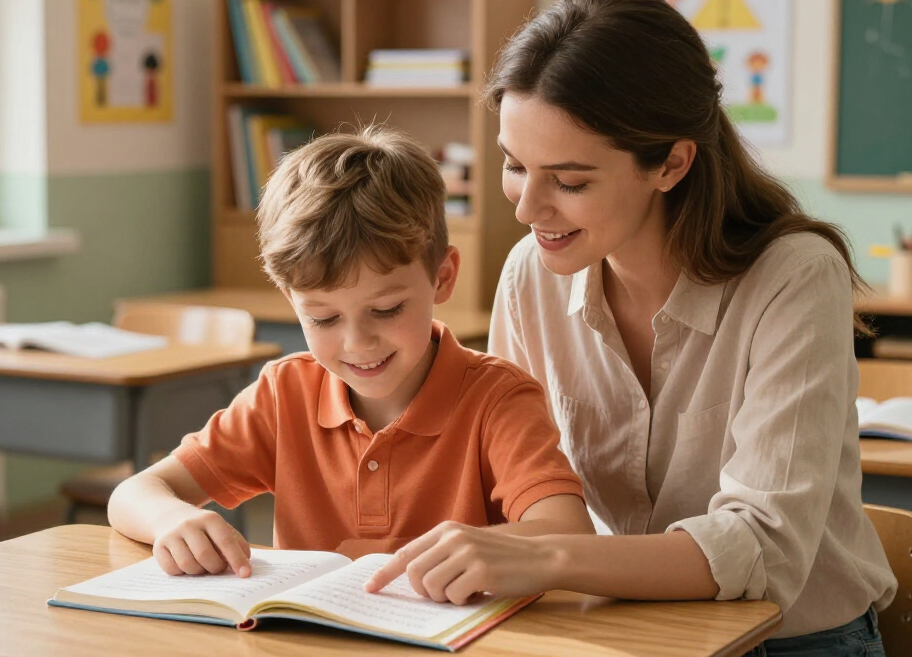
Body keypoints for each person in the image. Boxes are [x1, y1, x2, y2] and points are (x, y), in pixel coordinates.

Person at [366, 0, 899, 657]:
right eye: (515, 166)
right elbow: (503, 485)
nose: (528, 208)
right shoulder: (531, 276)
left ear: (672, 163)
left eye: (569, 180)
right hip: (611, 649)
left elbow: (763, 548)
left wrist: (545, 556)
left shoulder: (794, 276)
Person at [108, 125, 591, 580]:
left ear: (442, 277)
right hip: (309, 640)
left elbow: (568, 533)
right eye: (323, 318)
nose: (358, 343)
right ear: (292, 301)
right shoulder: (283, 393)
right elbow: (134, 492)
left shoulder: (498, 399)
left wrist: (486, 547)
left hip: (458, 639)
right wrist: (171, 519)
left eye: (386, 309)